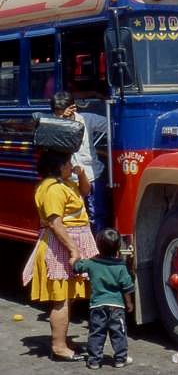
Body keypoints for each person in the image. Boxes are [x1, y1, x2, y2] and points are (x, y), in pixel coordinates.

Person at [22, 150, 99, 362]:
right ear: (57, 166)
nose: (70, 165)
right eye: (67, 162)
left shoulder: (65, 183)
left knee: (68, 296)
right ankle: (58, 347)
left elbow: (86, 191)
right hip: (60, 248)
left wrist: (81, 174)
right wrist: (74, 250)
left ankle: (62, 340)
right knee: (61, 299)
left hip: (69, 244)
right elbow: (56, 224)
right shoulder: (53, 189)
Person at [74, 228, 134, 369]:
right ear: (119, 247)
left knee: (96, 332)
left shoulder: (92, 263)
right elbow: (126, 287)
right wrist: (129, 303)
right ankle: (120, 359)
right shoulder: (120, 266)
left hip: (97, 306)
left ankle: (94, 361)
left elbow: (77, 267)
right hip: (116, 307)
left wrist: (75, 258)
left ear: (98, 245)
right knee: (118, 333)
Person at [50, 91, 109, 234]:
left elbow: (112, 126)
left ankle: (98, 247)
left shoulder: (86, 119)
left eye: (61, 112)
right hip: (69, 180)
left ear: (73, 108)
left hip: (92, 174)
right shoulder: (52, 123)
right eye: (56, 113)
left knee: (97, 215)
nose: (58, 116)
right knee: (73, 217)